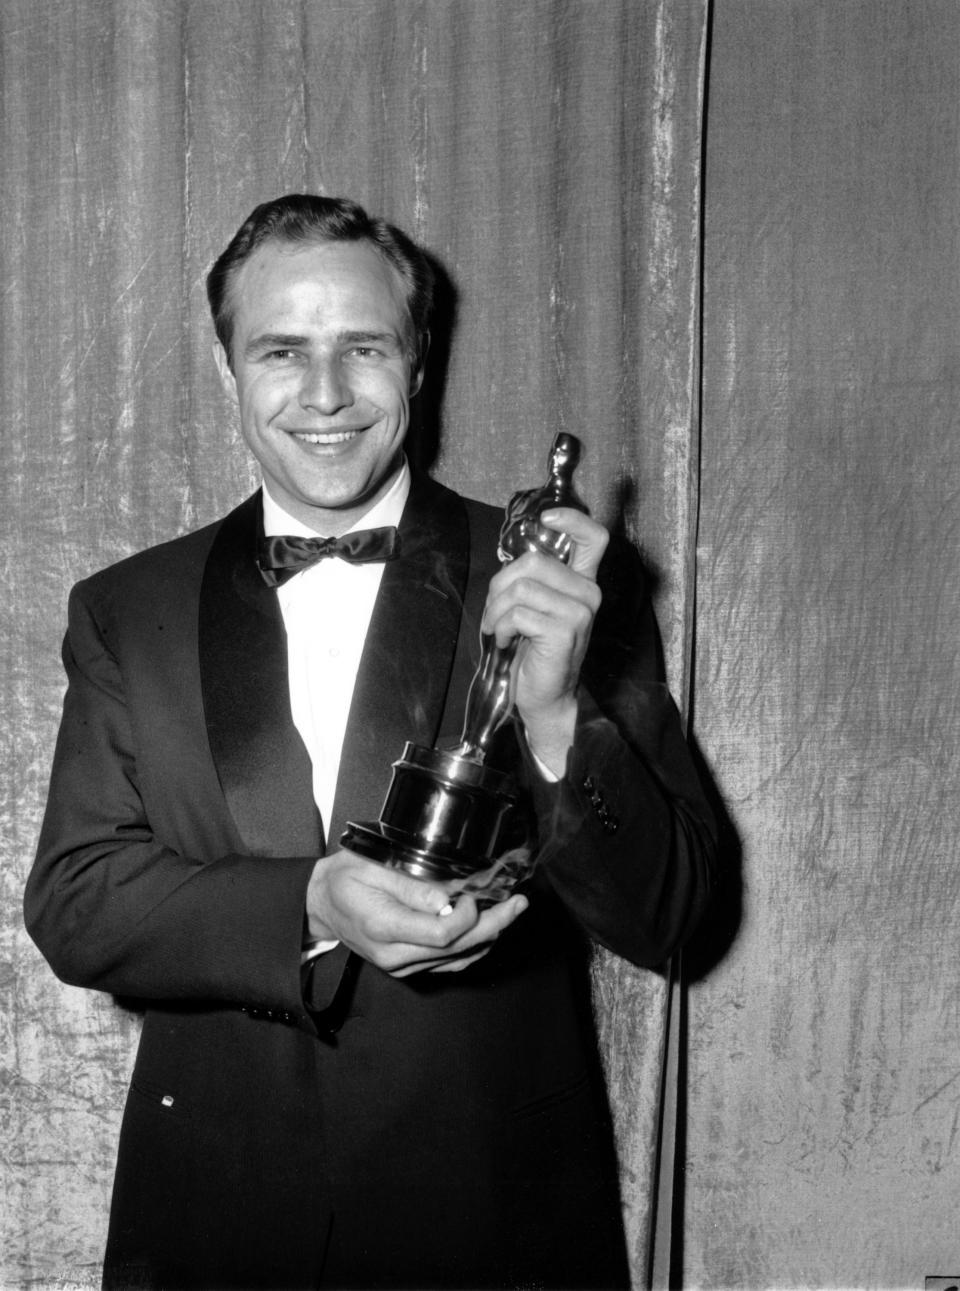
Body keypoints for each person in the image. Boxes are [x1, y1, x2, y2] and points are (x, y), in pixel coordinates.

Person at [25, 194, 717, 1291]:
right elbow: (77, 901)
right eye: (283, 351)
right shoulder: (125, 607)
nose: (328, 395)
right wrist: (310, 900)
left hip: (496, 1225)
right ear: (230, 371)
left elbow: (678, 912)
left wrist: (554, 716)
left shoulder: (554, 578)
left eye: (364, 348)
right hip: (212, 1225)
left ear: (419, 361)